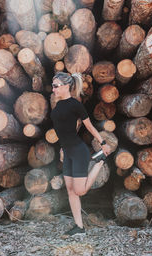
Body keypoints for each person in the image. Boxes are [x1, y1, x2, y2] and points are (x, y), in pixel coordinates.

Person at [50, 72, 111, 237]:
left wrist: (103, 143)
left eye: (56, 85)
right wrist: (62, 148)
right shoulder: (58, 106)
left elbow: (89, 127)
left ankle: (99, 162)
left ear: (65, 86)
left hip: (78, 151)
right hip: (67, 151)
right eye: (53, 85)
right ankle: (79, 227)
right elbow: (67, 130)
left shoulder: (75, 105)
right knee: (70, 191)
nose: (53, 88)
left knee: (80, 191)